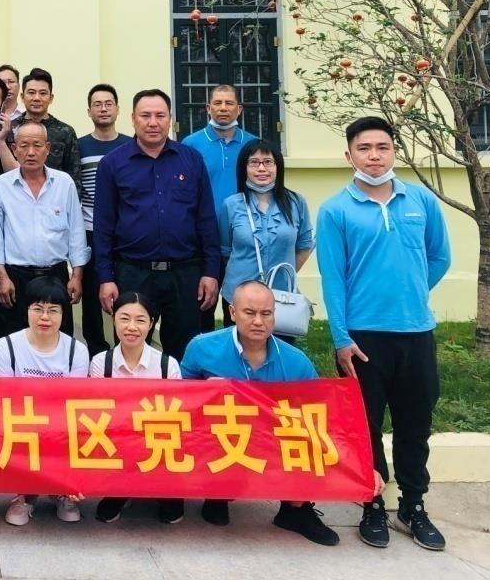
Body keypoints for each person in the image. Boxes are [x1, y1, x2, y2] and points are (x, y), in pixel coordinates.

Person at [316, 116, 450, 552]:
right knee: (366, 425)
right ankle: (371, 502)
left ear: (394, 151)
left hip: (416, 332)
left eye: (382, 147)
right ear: (349, 155)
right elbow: (333, 278)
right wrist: (340, 337)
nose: (374, 156)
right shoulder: (336, 210)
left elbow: (439, 257)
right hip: (363, 338)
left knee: (415, 423)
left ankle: (412, 505)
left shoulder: (421, 201)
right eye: (364, 148)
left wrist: (409, 294)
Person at [181, 281, 340, 546]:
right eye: (249, 312)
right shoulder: (202, 348)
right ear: (232, 312)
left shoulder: (296, 361)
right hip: (222, 436)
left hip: (272, 436)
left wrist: (362, 465)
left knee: (308, 435)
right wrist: (208, 391)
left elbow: (323, 414)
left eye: (266, 314)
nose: (258, 321)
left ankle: (296, 510)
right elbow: (179, 399)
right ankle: (217, 496)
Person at [95, 89, 220, 360]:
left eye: (160, 115)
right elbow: (103, 227)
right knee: (131, 351)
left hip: (185, 274)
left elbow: (206, 220)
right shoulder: (112, 164)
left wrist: (211, 271)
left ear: (170, 118)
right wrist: (106, 278)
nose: (153, 122)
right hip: (133, 273)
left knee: (186, 353)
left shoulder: (191, 160)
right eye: (146, 115)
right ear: (133, 118)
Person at [0, 122, 87, 361]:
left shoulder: (64, 183)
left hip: (55, 276)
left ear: (47, 148)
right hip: (14, 277)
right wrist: (1, 278)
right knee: (9, 344)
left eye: (37, 145)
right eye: (24, 145)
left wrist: (77, 276)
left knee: (57, 343)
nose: (30, 152)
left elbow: (76, 232)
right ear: (14, 149)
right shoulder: (2, 185)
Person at [0, 275, 89, 528]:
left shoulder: (77, 350)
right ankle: (25, 494)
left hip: (61, 426)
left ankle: (63, 491)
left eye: (53, 310)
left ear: (63, 314)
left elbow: (75, 405)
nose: (44, 317)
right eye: (37, 309)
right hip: (21, 423)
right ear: (26, 310)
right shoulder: (7, 345)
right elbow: (5, 400)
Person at [87, 291, 182, 525]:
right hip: (115, 441)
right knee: (105, 512)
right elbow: (97, 412)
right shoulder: (101, 362)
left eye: (140, 320)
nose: (131, 327)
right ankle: (122, 490)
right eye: (124, 318)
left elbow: (175, 416)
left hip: (156, 443)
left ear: (151, 323)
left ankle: (155, 488)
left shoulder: (167, 365)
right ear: (114, 320)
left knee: (173, 513)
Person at [219, 138, 313, 336]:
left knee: (279, 350)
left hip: (281, 297)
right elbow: (225, 250)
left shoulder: (296, 202)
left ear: (278, 166)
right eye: (254, 162)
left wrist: (281, 273)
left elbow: (305, 245)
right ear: (244, 168)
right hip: (238, 295)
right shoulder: (231, 205)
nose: (261, 168)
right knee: (238, 350)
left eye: (268, 162)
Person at [182, 84, 253, 331]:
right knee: (202, 306)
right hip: (202, 240)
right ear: (208, 108)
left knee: (239, 308)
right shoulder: (190, 145)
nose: (223, 108)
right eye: (218, 103)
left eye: (229, 103)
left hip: (241, 239)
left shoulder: (252, 145)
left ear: (239, 109)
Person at [77, 84, 132, 357]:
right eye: (97, 104)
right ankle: (96, 351)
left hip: (124, 231)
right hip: (89, 229)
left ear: (118, 109)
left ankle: (125, 349)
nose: (103, 108)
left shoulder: (131, 145)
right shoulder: (79, 146)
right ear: (89, 111)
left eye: (108, 103)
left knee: (124, 290)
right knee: (91, 294)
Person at [11, 68, 81, 183]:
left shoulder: (65, 132)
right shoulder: (10, 129)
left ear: (51, 98)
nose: (37, 98)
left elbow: (74, 177)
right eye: (31, 93)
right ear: (22, 97)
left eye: (43, 93)